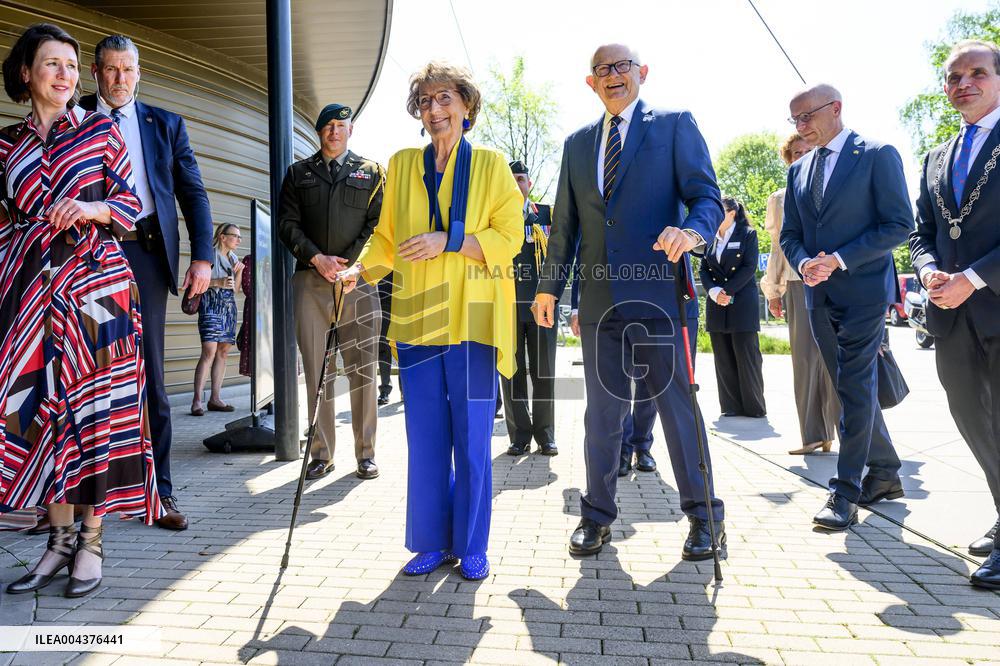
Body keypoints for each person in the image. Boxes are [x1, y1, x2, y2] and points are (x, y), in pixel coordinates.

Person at [534, 43, 725, 560]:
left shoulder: (675, 125)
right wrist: (549, 287)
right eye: (603, 69)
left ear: (642, 72)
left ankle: (705, 517)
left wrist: (691, 231)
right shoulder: (577, 144)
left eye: (622, 66)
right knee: (601, 417)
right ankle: (595, 517)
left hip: (662, 297)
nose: (613, 75)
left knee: (677, 411)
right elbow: (566, 226)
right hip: (601, 304)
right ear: (591, 82)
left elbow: (706, 197)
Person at [340, 60, 522, 580]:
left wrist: (450, 241)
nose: (434, 109)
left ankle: (472, 544)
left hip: (474, 320)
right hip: (418, 320)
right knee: (425, 439)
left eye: (445, 98)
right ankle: (431, 542)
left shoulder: (491, 165)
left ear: (466, 106)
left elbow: (510, 236)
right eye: (425, 101)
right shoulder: (401, 166)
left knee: (472, 440)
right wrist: (359, 269)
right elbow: (386, 237)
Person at [0, 23, 161, 597]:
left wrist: (88, 209)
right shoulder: (6, 145)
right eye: (53, 63)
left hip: (96, 292)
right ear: (26, 73)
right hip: (27, 296)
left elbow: (131, 205)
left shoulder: (100, 129)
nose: (65, 74)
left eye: (71, 65)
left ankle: (91, 542)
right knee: (38, 412)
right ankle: (59, 541)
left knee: (96, 412)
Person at [80, 34, 214, 532]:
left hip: (145, 255)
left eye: (128, 69)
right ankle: (79, 499)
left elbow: (193, 193)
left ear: (140, 72)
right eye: (111, 69)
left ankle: (160, 492)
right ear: (96, 72)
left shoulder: (166, 124)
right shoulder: (73, 118)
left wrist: (203, 258)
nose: (120, 79)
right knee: (85, 373)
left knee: (150, 374)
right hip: (86, 256)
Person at [780, 84, 912, 531]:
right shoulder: (799, 171)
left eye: (807, 116)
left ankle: (845, 492)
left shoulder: (876, 154)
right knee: (848, 388)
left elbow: (899, 225)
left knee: (854, 386)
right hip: (817, 294)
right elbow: (790, 234)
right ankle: (885, 472)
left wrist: (838, 259)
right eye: (794, 119)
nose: (801, 126)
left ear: (835, 108)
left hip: (864, 292)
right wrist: (803, 263)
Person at [910, 40, 1000, 588]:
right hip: (951, 317)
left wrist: (974, 278)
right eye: (953, 77)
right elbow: (922, 233)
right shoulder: (935, 157)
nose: (963, 83)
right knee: (973, 420)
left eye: (977, 73)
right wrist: (927, 272)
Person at [277, 103, 383, 481]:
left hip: (359, 282)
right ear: (319, 132)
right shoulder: (298, 173)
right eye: (328, 126)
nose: (334, 131)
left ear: (350, 130)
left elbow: (378, 226)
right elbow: (287, 224)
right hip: (311, 281)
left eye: (341, 125)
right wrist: (317, 258)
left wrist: (351, 265)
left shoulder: (372, 172)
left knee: (362, 370)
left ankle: (366, 454)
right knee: (317, 371)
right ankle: (322, 453)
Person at [761, 133, 840, 455]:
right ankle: (812, 434)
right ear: (788, 159)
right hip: (797, 281)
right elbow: (778, 247)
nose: (803, 156)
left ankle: (846, 433)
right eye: (796, 153)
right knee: (805, 361)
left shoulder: (835, 186)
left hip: (836, 279)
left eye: (809, 150)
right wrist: (773, 289)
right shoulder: (780, 198)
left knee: (838, 358)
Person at [569, 257, 658, 476]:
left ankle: (643, 446)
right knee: (617, 388)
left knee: (648, 384)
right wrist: (575, 308)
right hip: (609, 314)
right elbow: (582, 260)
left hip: (647, 307)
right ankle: (623, 450)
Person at [502, 160, 558, 457]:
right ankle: (519, 435)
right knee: (511, 371)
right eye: (510, 179)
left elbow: (561, 258)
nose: (516, 184)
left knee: (544, 371)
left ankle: (546, 435)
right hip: (507, 306)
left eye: (521, 179)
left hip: (541, 306)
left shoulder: (547, 215)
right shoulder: (496, 217)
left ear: (529, 184)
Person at [700, 197, 766, 418]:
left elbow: (749, 267)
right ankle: (730, 406)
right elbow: (703, 269)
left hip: (741, 302)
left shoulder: (747, 234)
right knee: (723, 356)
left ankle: (753, 407)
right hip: (716, 302)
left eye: (719, 211)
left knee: (746, 355)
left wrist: (726, 291)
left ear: (732, 213)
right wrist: (713, 291)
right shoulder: (710, 237)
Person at [191, 223, 243, 415]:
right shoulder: (209, 256)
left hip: (228, 308)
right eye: (235, 236)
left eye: (239, 237)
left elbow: (235, 289)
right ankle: (197, 400)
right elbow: (196, 282)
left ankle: (215, 398)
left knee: (223, 352)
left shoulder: (233, 258)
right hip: (211, 305)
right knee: (209, 351)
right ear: (222, 237)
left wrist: (238, 272)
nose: (238, 240)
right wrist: (217, 282)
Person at [376, 274, 394, 405]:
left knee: (404, 345)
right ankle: (385, 389)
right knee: (383, 346)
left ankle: (405, 390)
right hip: (382, 295)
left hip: (404, 292)